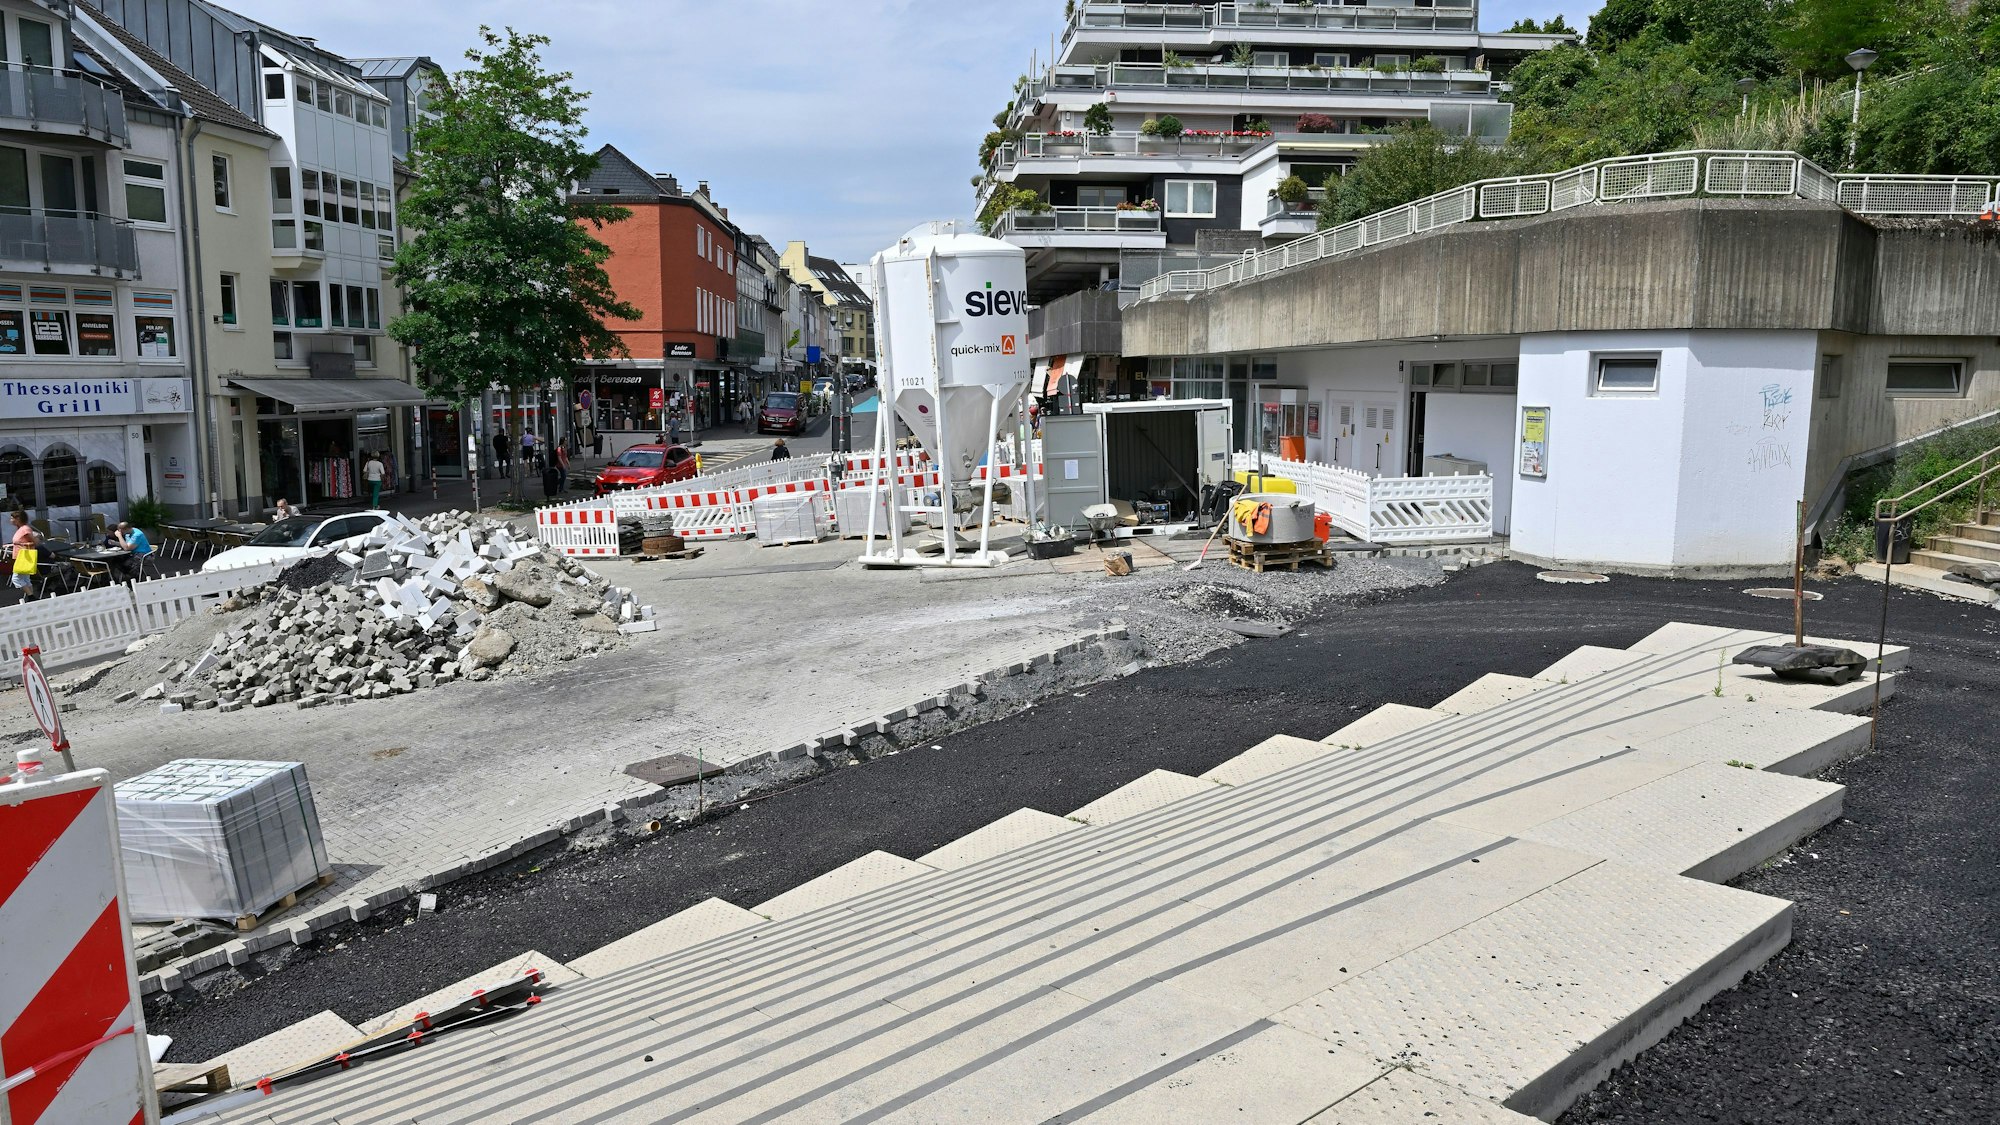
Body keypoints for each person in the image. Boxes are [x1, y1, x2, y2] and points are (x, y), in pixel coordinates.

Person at [9, 510, 40, 601]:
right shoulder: (20, 529)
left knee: (16, 578)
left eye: (12, 518)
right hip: (20, 557)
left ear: (18, 519)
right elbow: (20, 542)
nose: (10, 520)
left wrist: (25, 545)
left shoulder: (25, 529)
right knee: (25, 578)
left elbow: (34, 542)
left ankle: (31, 596)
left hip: (24, 557)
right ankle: (32, 598)